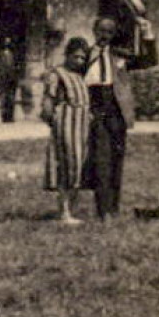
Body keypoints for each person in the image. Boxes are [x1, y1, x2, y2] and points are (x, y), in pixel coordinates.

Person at [81, 13, 158, 220]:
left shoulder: (120, 55)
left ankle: (113, 209)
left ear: (114, 34)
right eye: (101, 31)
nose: (104, 35)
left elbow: (149, 60)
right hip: (96, 110)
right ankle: (102, 211)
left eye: (109, 32)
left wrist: (147, 34)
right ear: (94, 32)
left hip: (117, 113)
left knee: (116, 161)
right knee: (101, 161)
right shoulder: (86, 56)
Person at [40, 37, 93, 225]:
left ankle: (72, 208)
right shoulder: (57, 74)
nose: (79, 61)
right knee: (67, 164)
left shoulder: (80, 77)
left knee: (79, 165)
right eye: (76, 57)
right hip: (65, 123)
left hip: (82, 125)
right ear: (68, 55)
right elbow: (48, 100)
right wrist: (53, 119)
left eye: (82, 58)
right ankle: (63, 211)